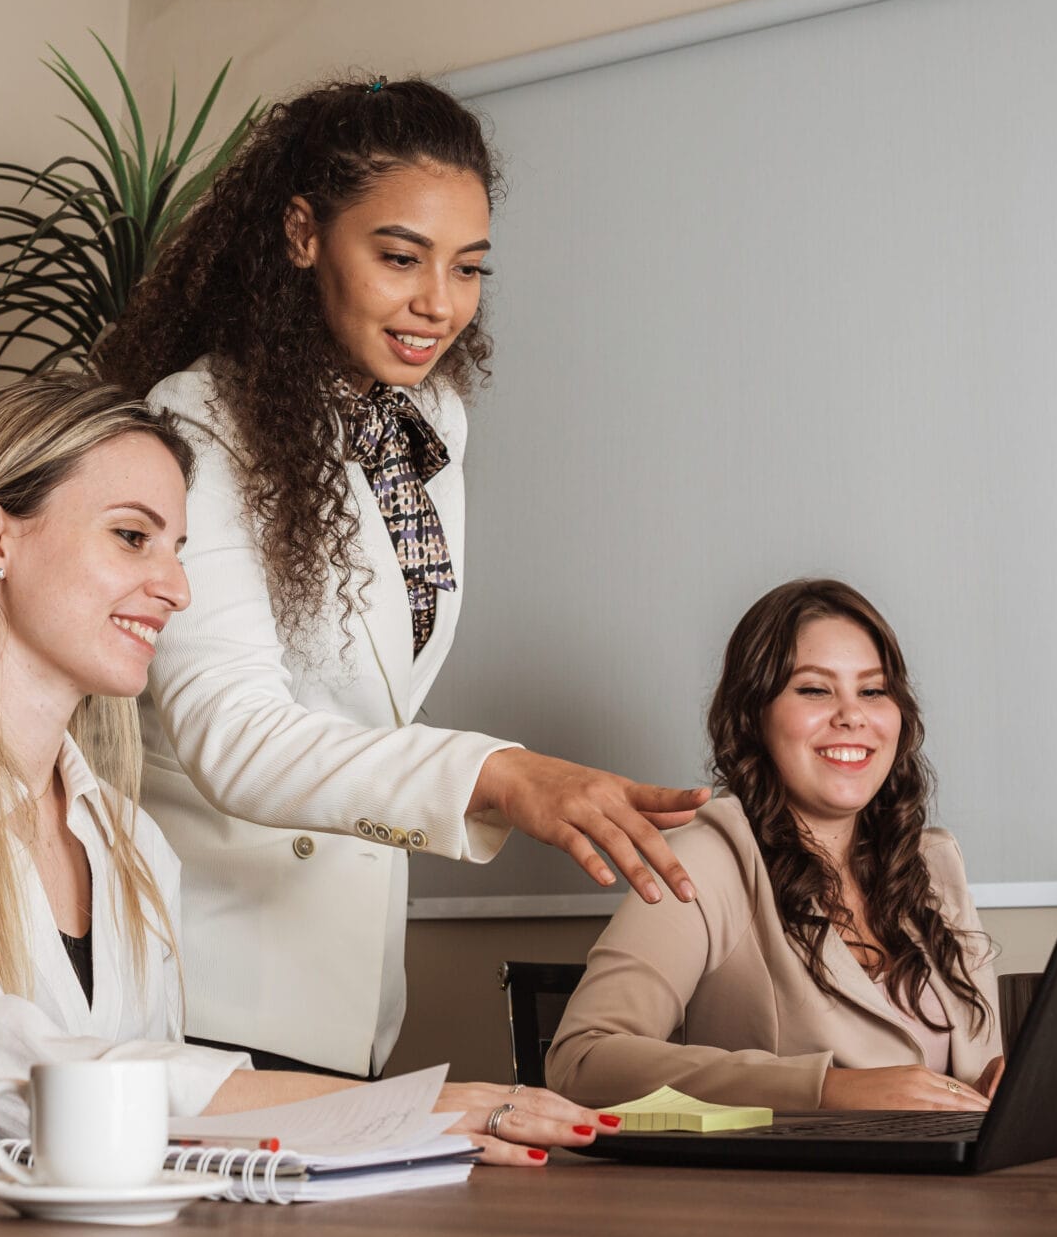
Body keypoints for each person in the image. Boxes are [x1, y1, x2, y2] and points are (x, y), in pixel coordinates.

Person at [0, 374, 613, 1180]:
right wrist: (383, 1109)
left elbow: (152, 1141)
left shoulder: (124, 835)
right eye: (131, 538)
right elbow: (4, 1080)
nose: (177, 588)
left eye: (178, 547)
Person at [94, 77, 708, 1078]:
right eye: (399, 257)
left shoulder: (428, 426)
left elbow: (369, 702)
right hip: (201, 980)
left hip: (346, 978)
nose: (439, 303)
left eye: (468, 268)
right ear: (303, 234)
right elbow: (231, 734)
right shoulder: (196, 419)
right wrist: (497, 771)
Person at [544, 579, 1004, 1111]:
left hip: (954, 1188)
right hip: (790, 1193)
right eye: (814, 689)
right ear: (754, 717)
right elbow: (582, 1060)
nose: (852, 715)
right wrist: (828, 1088)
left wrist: (999, 1080)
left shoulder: (932, 863)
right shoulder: (709, 858)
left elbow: (971, 1079)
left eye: (873, 691)